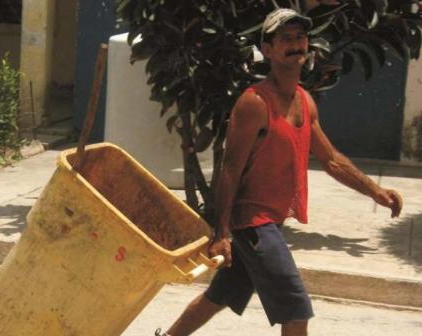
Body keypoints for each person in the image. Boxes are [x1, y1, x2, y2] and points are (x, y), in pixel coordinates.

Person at [155, 7, 403, 336]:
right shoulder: (255, 103)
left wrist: (376, 191)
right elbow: (229, 170)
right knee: (296, 308)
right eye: (285, 39)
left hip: (270, 220)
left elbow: (330, 160)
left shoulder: (304, 100)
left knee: (220, 295)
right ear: (268, 50)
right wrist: (221, 233)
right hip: (253, 224)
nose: (296, 44)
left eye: (300, 37)